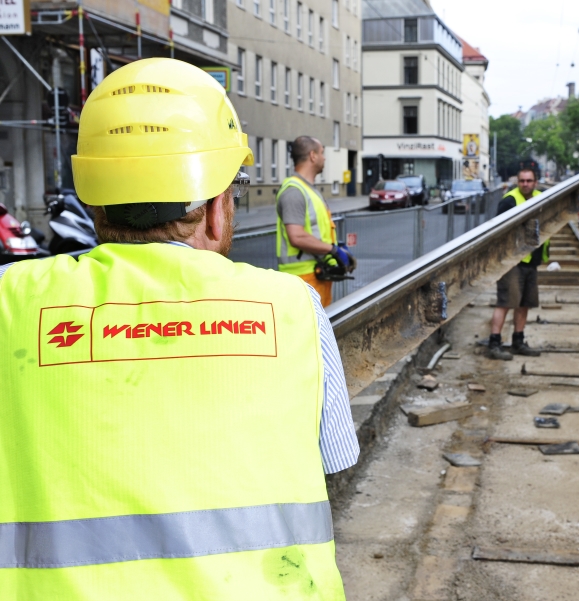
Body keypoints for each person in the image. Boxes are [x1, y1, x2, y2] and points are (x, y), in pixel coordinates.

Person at [0, 58, 358, 600]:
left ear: (93, 203)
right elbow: (335, 461)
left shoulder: (10, 300)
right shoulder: (295, 309)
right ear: (216, 210)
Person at [276, 135, 353, 307]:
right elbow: (296, 236)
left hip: (315, 276)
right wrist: (333, 250)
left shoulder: (308, 189)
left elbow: (315, 231)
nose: (324, 157)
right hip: (303, 280)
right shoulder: (294, 191)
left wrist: (335, 246)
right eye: (322, 152)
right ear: (312, 156)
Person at [487, 166, 549, 361]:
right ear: (517, 182)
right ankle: (494, 344)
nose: (525, 184)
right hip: (511, 262)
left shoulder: (542, 197)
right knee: (506, 302)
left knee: (524, 304)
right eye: (522, 181)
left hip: (532, 261)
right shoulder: (509, 201)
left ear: (535, 182)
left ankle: (518, 342)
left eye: (529, 181)